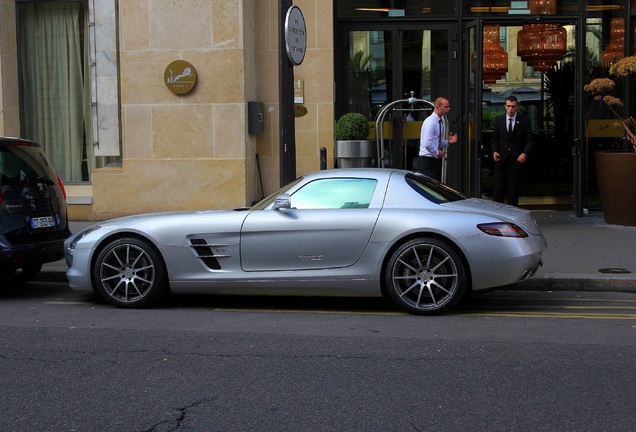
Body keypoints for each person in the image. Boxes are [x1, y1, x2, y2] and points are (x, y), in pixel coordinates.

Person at [491, 96, 534, 206]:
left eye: (513, 106)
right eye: (508, 106)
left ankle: (512, 216)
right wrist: (494, 151)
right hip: (501, 160)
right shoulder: (499, 120)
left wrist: (524, 153)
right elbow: (494, 139)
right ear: (505, 106)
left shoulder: (524, 120)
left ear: (517, 107)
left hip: (516, 160)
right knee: (498, 191)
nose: (510, 109)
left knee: (513, 191)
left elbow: (530, 140)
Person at [418, 97, 458, 180]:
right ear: (437, 107)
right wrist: (437, 152)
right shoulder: (430, 122)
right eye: (445, 107)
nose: (448, 109)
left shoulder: (438, 122)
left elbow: (435, 142)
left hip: (431, 160)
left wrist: (447, 142)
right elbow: (427, 143)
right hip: (427, 160)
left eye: (448, 107)